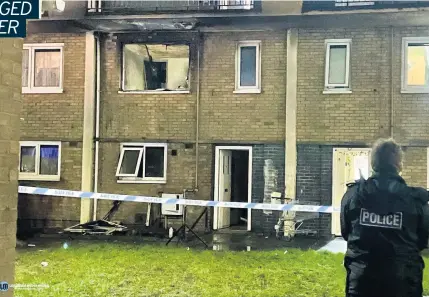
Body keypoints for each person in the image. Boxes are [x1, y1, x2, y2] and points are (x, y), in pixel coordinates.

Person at [340, 138, 429, 297]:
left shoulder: (353, 196)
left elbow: (346, 232)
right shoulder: (416, 201)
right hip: (403, 284)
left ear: (373, 164)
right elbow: (422, 241)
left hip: (361, 283)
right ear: (399, 165)